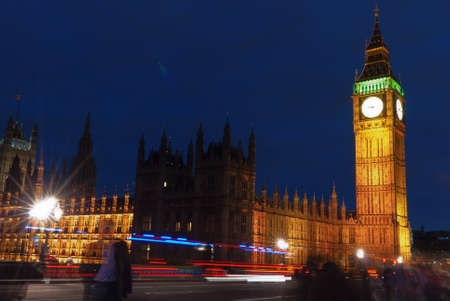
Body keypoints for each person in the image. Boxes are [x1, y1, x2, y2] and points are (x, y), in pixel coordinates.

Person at [90, 228, 132, 301]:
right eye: (103, 228)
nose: (105, 231)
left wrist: (127, 287)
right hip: (98, 284)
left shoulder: (121, 245)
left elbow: (127, 267)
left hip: (114, 284)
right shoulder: (95, 244)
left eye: (108, 228)